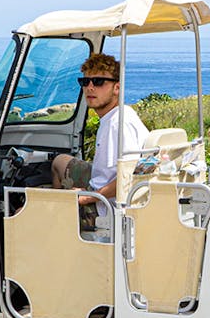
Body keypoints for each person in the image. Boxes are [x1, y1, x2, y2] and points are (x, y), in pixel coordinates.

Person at [52, 54, 149, 214]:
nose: (90, 87)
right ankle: (59, 207)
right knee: (59, 161)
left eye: (98, 82)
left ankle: (59, 216)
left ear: (116, 88)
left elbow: (127, 179)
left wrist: (87, 198)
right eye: (85, 82)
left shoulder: (117, 124)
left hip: (105, 207)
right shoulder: (119, 114)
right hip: (102, 186)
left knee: (25, 212)